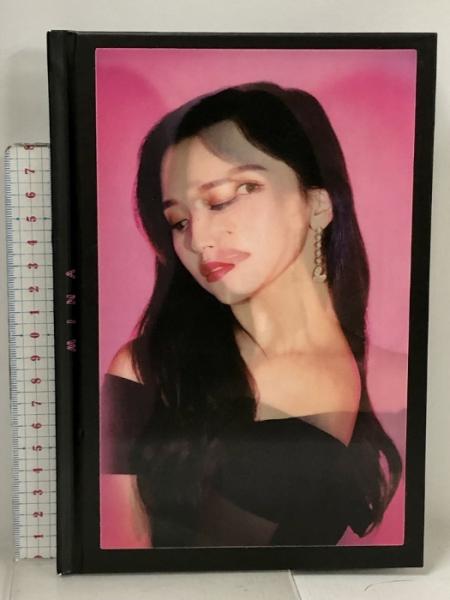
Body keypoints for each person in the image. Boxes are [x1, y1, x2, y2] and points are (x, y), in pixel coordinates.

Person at [102, 82, 402, 548]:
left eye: (225, 197)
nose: (199, 238)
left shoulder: (399, 381)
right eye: (179, 220)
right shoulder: (146, 367)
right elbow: (117, 551)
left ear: (318, 203)